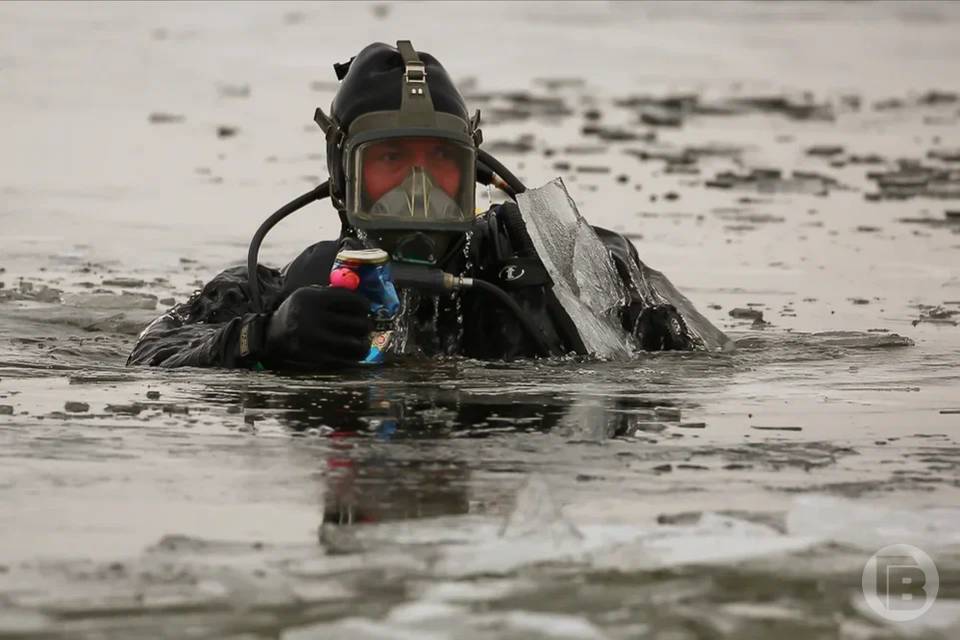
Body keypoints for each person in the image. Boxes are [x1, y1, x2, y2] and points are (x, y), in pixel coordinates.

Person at [127, 41, 730, 370]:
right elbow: (149, 356)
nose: (419, 192)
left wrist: (628, 318)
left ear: (475, 171)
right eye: (391, 162)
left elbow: (712, 355)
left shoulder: (544, 263)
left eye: (441, 165)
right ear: (342, 176)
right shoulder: (272, 291)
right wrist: (260, 339)